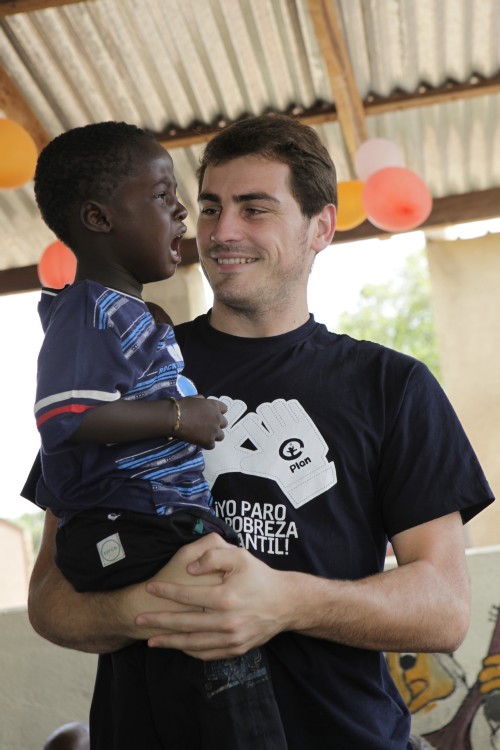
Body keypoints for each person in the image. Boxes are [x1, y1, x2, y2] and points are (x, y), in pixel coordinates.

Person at [26, 114, 494, 750]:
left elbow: (443, 609)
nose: (222, 232)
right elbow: (51, 600)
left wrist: (284, 601)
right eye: (210, 208)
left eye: (254, 209)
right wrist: (152, 609)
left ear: (320, 227)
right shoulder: (124, 362)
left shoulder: (392, 386)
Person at [29, 121, 287, 749]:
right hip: (125, 523)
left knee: (190, 650)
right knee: (216, 615)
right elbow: (65, 419)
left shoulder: (128, 314)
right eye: (162, 195)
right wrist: (179, 417)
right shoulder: (88, 311)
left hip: (152, 519)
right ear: (98, 218)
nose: (182, 212)